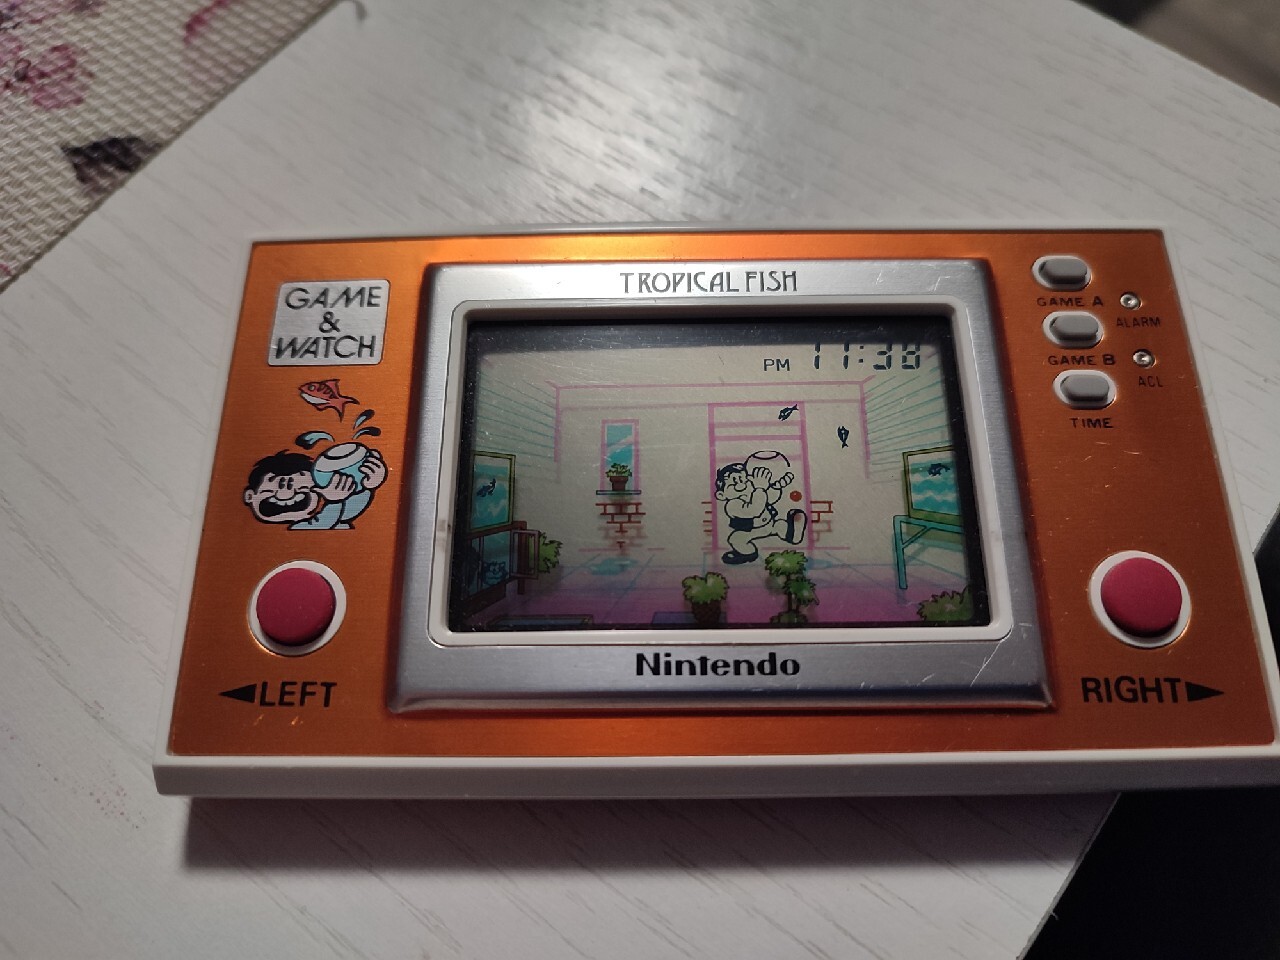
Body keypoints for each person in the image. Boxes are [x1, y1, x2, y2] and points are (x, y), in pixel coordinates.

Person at [714, 450, 807, 564]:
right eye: (734, 483)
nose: (741, 485)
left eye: (744, 480)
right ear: (721, 495)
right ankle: (748, 553)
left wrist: (778, 486)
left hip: (770, 524)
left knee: (780, 525)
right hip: (749, 531)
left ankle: (793, 534)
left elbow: (770, 498)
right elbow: (754, 510)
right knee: (735, 539)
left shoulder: (755, 492)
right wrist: (760, 488)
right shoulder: (732, 505)